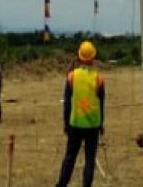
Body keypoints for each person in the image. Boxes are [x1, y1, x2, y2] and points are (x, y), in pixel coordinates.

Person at [54, 41, 105, 187]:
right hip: (93, 125)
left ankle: (62, 184)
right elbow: (101, 104)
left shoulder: (71, 77)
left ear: (79, 57)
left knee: (70, 157)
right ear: (93, 58)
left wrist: (65, 123)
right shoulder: (99, 79)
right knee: (90, 159)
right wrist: (101, 124)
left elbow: (67, 104)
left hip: (75, 123)